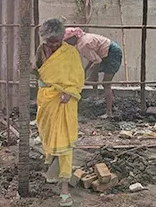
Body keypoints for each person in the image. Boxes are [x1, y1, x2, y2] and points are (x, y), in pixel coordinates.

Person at [34, 19, 84, 206]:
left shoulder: (70, 53)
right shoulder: (41, 50)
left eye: (56, 42)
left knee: (64, 143)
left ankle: (64, 190)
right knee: (47, 135)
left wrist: (69, 93)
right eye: (49, 42)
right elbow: (39, 70)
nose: (53, 46)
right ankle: (52, 168)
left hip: (65, 102)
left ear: (63, 38)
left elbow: (78, 78)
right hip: (46, 99)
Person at [64, 27, 122, 118]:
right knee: (93, 70)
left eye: (67, 41)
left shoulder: (83, 44)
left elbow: (97, 61)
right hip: (106, 51)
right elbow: (93, 57)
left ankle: (109, 112)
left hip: (112, 53)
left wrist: (90, 76)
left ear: (73, 38)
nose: (66, 43)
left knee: (106, 83)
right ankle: (95, 95)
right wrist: (85, 70)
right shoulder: (81, 40)